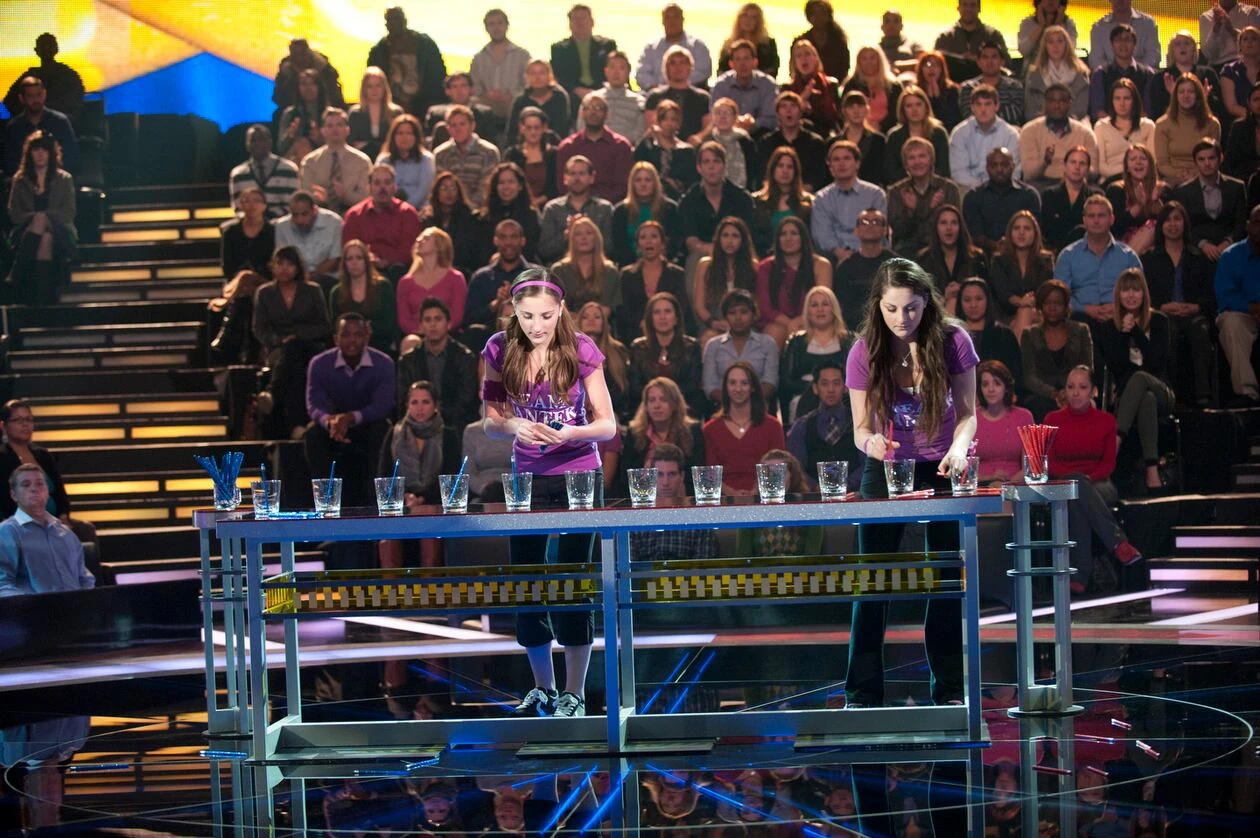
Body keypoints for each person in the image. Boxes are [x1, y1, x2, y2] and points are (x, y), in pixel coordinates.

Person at [481, 268, 618, 719]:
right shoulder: (498, 349)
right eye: (526, 317)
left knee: (574, 580)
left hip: (579, 473)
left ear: (560, 310)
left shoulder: (581, 349)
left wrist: (571, 432)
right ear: (513, 312)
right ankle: (543, 688)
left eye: (544, 315)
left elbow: (608, 425)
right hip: (527, 475)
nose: (536, 326)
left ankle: (574, 693)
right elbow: (490, 422)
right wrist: (514, 425)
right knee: (526, 581)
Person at [844, 257, 978, 708]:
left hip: (942, 464)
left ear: (927, 304)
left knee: (945, 577)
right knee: (872, 579)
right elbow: (860, 428)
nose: (902, 318)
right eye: (892, 309)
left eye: (912, 308)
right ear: (878, 306)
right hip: (887, 465)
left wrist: (959, 449)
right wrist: (872, 444)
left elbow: (968, 415)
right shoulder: (864, 351)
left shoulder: (954, 341)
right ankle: (862, 695)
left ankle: (950, 690)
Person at [1046, 365, 1144, 593]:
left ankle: (1080, 575)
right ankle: (1118, 543)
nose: (1075, 393)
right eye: (1070, 387)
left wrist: (1087, 479)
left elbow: (1108, 464)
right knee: (1075, 492)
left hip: (1100, 483)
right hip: (1064, 483)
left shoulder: (1107, 421)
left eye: (1082, 387)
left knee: (1077, 493)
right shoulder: (1052, 419)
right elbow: (1050, 461)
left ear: (1094, 391)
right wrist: (1075, 480)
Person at [304, 312, 393, 507]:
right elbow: (314, 405)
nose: (352, 340)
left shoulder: (383, 363)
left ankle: (375, 502)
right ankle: (326, 501)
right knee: (313, 433)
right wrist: (331, 422)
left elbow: (383, 405)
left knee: (384, 429)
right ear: (335, 338)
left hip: (367, 424)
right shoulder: (319, 364)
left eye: (358, 334)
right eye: (345, 335)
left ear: (367, 337)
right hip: (333, 428)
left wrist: (351, 418)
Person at [1098, 269, 1173, 491]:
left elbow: (1157, 365)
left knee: (1142, 380)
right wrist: (1124, 333)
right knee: (1145, 399)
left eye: (1136, 290)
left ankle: (1116, 440)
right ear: (1118, 295)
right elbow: (1119, 368)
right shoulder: (1109, 328)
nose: (1131, 295)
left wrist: (1137, 332)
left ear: (1144, 293)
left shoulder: (1159, 321)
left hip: (1162, 390)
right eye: (1126, 290)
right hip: (1130, 397)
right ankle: (1152, 471)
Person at [253, 247, 333, 438]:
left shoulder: (312, 290)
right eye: (280, 263)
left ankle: (272, 394)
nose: (284, 269)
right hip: (278, 350)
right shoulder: (264, 293)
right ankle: (297, 425)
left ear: (298, 267)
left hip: (310, 346)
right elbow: (259, 329)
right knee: (293, 362)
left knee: (295, 352)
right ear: (272, 267)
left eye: (289, 264)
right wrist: (279, 340)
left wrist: (298, 336)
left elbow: (324, 326)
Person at [1143, 202, 1216, 407]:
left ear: (1185, 223)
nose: (1173, 224)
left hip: (1193, 313)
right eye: (1167, 220)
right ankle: (1169, 393)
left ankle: (1204, 394)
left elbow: (1210, 295)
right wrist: (1161, 307)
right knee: (1168, 331)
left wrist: (1197, 307)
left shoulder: (1198, 257)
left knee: (1200, 331)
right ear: (1161, 225)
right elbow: (1145, 294)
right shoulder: (1150, 259)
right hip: (1162, 313)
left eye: (1177, 219)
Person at [378, 381, 448, 569]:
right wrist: (405, 497)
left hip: (434, 503)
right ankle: (391, 586)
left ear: (435, 405)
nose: (419, 408)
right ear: (407, 406)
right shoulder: (394, 433)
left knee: (429, 526)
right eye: (414, 402)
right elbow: (384, 475)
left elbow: (450, 477)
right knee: (388, 537)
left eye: (425, 402)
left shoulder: (447, 435)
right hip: (400, 503)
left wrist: (422, 499)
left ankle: (429, 585)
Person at [395, 298, 480, 442]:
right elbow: (403, 399)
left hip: (454, 425)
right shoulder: (408, 360)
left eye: (438, 319)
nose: (433, 324)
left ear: (449, 324)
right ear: (421, 326)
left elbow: (467, 400)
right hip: (417, 424)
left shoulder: (465, 358)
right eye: (427, 320)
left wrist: (439, 417)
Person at [0, 464, 93, 596]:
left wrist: (85, 601)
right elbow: (3, 585)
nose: (34, 489)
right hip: (34, 607)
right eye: (26, 485)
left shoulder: (66, 533)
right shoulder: (7, 532)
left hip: (75, 605)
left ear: (48, 492)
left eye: (40, 484)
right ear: (13, 495)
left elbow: (85, 578)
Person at [6, 131, 75, 305]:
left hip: (60, 230)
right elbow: (14, 214)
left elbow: (69, 212)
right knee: (44, 238)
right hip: (25, 231)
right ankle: (43, 301)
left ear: (51, 153)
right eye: (36, 150)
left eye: (44, 150)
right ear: (29, 153)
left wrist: (46, 217)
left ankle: (17, 272)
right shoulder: (20, 179)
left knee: (42, 219)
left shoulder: (64, 179)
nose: (40, 154)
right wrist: (35, 217)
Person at [1055, 195, 1142, 331]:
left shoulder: (1128, 256)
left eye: (1101, 215)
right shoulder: (1067, 255)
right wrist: (1085, 309)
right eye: (1091, 216)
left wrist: (1118, 306)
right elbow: (1059, 296)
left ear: (1111, 219)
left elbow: (1140, 292)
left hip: (1120, 316)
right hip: (1080, 319)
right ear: (1084, 220)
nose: (1096, 220)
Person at [678, 141, 756, 283]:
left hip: (738, 253)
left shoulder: (742, 199)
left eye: (716, 161)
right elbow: (691, 243)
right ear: (699, 168)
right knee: (695, 259)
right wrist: (718, 250)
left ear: (724, 166)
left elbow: (747, 238)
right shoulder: (689, 201)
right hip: (703, 256)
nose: (711, 167)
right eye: (706, 162)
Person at [626, 443, 715, 567]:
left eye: (671, 474)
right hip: (645, 579)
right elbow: (627, 570)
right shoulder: (635, 519)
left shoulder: (698, 519)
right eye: (660, 474)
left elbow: (704, 569)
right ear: (650, 477)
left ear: (681, 476)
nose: (665, 482)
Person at [703, 360, 785, 493]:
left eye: (744, 383)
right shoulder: (710, 429)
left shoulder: (773, 426)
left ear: (753, 387)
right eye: (732, 383)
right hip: (723, 499)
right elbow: (709, 474)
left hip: (764, 496)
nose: (738, 389)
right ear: (726, 387)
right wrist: (733, 494)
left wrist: (754, 493)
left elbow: (777, 470)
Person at [1020, 279, 1095, 419]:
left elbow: (1087, 369)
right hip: (1041, 395)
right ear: (1040, 305)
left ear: (1066, 306)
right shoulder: (1030, 334)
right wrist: (1054, 393)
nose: (1052, 308)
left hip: (1075, 392)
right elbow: (1029, 377)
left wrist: (1070, 391)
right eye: (1047, 303)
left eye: (1058, 303)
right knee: (1039, 405)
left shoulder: (1081, 330)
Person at [786, 359, 863, 489]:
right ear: (815, 388)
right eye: (824, 384)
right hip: (814, 497)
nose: (831, 389)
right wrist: (815, 487)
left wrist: (849, 484)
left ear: (845, 387)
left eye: (836, 383)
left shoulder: (860, 423)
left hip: (855, 495)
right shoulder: (801, 426)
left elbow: (868, 464)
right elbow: (796, 467)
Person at [780, 286, 853, 422]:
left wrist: (830, 388)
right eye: (814, 305)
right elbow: (787, 381)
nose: (820, 309)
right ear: (807, 312)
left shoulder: (850, 341)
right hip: (803, 401)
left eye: (825, 304)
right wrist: (816, 389)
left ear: (834, 309)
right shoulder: (796, 342)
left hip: (842, 400)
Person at [756, 216, 832, 347]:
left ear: (803, 238)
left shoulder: (821, 265)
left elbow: (823, 303)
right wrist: (790, 323)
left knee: (806, 332)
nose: (788, 238)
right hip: (776, 322)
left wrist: (799, 322)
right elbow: (765, 307)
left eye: (794, 233)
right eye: (783, 234)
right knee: (775, 333)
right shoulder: (765, 267)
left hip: (811, 319)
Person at [464, 219, 539, 347]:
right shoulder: (481, 277)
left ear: (523, 241)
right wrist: (495, 304)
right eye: (503, 237)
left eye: (513, 237)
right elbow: (469, 318)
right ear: (495, 241)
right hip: (488, 342)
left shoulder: (537, 276)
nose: (508, 242)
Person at [628, 292, 705, 417]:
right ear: (650, 319)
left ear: (676, 318)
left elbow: (693, 386)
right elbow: (635, 388)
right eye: (657, 312)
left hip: (683, 411)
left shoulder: (691, 347)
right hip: (647, 412)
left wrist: (666, 400)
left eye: (667, 311)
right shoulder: (638, 348)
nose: (662, 317)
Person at [1172, 138, 1249, 263]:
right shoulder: (1183, 191)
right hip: (1196, 251)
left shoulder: (1237, 187)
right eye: (1201, 159)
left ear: (1221, 158)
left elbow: (1241, 223)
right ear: (1195, 162)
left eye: (1211, 158)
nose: (1207, 163)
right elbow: (1185, 226)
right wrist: (1203, 244)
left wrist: (1228, 242)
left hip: (1232, 248)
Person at [810, 140, 886, 265]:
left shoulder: (875, 194)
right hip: (834, 259)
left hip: (871, 256)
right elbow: (822, 235)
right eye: (836, 159)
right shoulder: (821, 198)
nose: (841, 164)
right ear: (830, 166)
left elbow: (879, 231)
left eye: (846, 158)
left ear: (857, 164)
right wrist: (841, 254)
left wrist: (860, 255)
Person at [341, 164, 422, 280]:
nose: (382, 188)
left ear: (395, 187)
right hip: (364, 270)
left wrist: (386, 261)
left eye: (387, 183)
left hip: (398, 271)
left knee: (398, 269)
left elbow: (410, 251)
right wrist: (369, 259)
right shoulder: (354, 215)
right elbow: (349, 249)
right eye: (377, 183)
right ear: (369, 187)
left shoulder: (408, 213)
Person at [702, 287, 779, 408]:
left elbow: (771, 382)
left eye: (744, 312)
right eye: (732, 313)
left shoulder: (767, 344)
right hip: (723, 408)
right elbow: (710, 386)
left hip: (759, 408)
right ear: (725, 317)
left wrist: (747, 403)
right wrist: (733, 403)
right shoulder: (713, 346)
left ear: (753, 315)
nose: (738, 318)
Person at [1214, 205, 1260, 406]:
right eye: (1257, 223)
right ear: (1248, 226)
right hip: (1243, 314)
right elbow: (1225, 298)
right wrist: (1252, 308)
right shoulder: (1231, 256)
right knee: (1231, 323)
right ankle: (1247, 394)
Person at [734, 450, 821, 553]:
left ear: (792, 476)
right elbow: (743, 556)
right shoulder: (750, 513)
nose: (773, 479)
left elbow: (813, 556)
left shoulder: (810, 510)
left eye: (779, 472)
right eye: (768, 473)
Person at [617, 220, 690, 340]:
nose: (648, 241)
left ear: (663, 243)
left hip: (671, 333)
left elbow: (682, 308)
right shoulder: (627, 275)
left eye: (654, 236)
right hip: (635, 334)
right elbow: (624, 311)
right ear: (638, 245)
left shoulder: (677, 274)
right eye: (643, 237)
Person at [887, 138, 961, 258]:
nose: (917, 162)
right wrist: (912, 213)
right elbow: (899, 233)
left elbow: (953, 229)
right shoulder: (897, 191)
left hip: (941, 249)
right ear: (905, 164)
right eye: (911, 158)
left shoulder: (948, 189)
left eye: (922, 156)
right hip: (908, 251)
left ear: (931, 160)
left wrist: (927, 211)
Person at [555, 92, 634, 204]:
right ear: (582, 113)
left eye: (598, 108)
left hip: (611, 207)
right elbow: (562, 185)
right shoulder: (567, 147)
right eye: (588, 108)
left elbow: (623, 186)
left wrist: (599, 206)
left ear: (607, 114)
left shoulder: (621, 146)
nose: (593, 112)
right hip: (572, 207)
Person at [366, 6, 446, 116]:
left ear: (404, 21)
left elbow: (438, 75)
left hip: (424, 103)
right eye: (391, 20)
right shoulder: (379, 51)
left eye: (397, 19)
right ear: (386, 24)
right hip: (392, 105)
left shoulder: (425, 45)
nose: (394, 23)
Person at [693, 217, 759, 347]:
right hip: (714, 322)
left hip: (745, 323)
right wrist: (714, 322)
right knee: (709, 339)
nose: (730, 241)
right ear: (718, 239)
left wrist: (740, 323)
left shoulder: (754, 267)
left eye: (735, 236)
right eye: (725, 235)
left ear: (743, 241)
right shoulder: (705, 265)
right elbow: (699, 306)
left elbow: (758, 306)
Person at [989, 211, 1056, 339]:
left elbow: (1044, 291)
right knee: (1024, 312)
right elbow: (1002, 294)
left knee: (1026, 312)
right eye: (1016, 228)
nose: (1021, 233)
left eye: (1027, 228)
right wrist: (1022, 302)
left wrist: (1028, 303)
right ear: (1010, 233)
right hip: (1005, 314)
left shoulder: (1045, 260)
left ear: (1035, 233)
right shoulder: (998, 261)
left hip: (1037, 312)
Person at [538, 155, 614, 265]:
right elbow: (544, 250)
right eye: (572, 174)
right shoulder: (552, 209)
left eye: (582, 173)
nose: (577, 179)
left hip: (597, 268)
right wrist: (566, 235)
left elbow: (610, 247)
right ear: (565, 178)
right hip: (560, 270)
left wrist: (590, 234)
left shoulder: (604, 208)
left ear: (591, 178)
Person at [962, 147, 1041, 250]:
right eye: (994, 165)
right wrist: (995, 246)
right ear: (987, 168)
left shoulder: (1029, 195)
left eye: (1004, 165)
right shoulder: (974, 197)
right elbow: (973, 234)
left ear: (1013, 166)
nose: (999, 170)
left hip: (1023, 253)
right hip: (984, 256)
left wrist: (1010, 246)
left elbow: (1034, 232)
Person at [299, 108, 372, 217]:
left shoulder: (362, 161)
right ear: (322, 131)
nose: (335, 129)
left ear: (347, 130)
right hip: (318, 216)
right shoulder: (310, 162)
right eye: (330, 126)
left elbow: (367, 197)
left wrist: (346, 196)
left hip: (354, 216)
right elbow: (305, 195)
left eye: (339, 125)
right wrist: (319, 198)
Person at [954, 277, 1023, 392]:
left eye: (979, 299)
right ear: (960, 303)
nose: (973, 305)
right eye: (967, 300)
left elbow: (1016, 376)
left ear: (988, 300)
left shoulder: (1004, 335)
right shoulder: (952, 336)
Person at [834, 209, 897, 333]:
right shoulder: (845, 268)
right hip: (854, 331)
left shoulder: (896, 265)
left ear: (885, 230)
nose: (870, 225)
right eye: (865, 222)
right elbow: (841, 307)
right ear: (856, 231)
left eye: (876, 222)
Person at [329, 240, 398, 354]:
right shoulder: (337, 292)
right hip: (348, 348)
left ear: (366, 261)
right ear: (344, 264)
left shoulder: (383, 286)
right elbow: (335, 327)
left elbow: (390, 323)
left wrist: (366, 329)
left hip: (379, 345)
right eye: (349, 259)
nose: (354, 262)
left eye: (359, 258)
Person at [397, 227, 467, 337]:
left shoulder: (456, 278)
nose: (419, 240)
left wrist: (439, 330)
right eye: (418, 238)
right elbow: (404, 320)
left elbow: (457, 316)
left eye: (425, 238)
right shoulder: (405, 282)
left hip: (448, 335)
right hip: (417, 335)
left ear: (439, 245)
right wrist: (424, 330)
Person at [1154, 74, 1223, 185]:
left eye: (1191, 92)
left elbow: (1214, 160)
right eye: (1181, 92)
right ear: (1175, 96)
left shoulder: (1212, 124)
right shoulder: (1162, 124)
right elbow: (1162, 165)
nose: (1186, 96)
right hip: (1173, 181)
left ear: (1198, 95)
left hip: (1204, 178)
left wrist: (1195, 176)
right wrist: (1182, 175)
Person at [948, 85, 1021, 190]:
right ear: (972, 108)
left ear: (997, 106)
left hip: (1002, 188)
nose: (983, 109)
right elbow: (958, 172)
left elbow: (1014, 172)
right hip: (969, 189)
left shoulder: (1010, 134)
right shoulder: (959, 133)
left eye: (988, 104)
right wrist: (982, 190)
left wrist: (992, 190)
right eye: (978, 104)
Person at [972, 360, 1033, 484]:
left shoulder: (1024, 417)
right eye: (985, 384)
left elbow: (1030, 467)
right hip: (980, 486)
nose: (991, 389)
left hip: (1016, 486)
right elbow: (964, 470)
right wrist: (990, 479)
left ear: (1006, 387)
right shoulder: (971, 419)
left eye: (997, 383)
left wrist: (1006, 486)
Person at [610, 163, 682, 268]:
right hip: (629, 266)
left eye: (648, 180)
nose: (643, 184)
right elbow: (618, 246)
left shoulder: (670, 208)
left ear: (655, 183)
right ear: (632, 184)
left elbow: (675, 243)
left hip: (665, 265)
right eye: (638, 180)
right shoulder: (621, 211)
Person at [917, 203, 986, 310]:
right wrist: (944, 297)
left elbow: (986, 294)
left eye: (954, 223)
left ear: (960, 227)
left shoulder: (976, 257)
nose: (949, 228)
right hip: (937, 313)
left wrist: (964, 293)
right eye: (943, 223)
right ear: (936, 228)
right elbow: (919, 301)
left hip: (971, 311)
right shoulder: (924, 259)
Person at [3, 76, 77, 177]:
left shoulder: (60, 122)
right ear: (22, 98)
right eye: (30, 96)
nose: (36, 99)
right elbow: (9, 162)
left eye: (39, 95)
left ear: (44, 94)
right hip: (24, 182)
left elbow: (71, 156)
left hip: (57, 181)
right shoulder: (14, 127)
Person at [1147, 31, 1226, 124]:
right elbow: (1157, 112)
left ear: (1194, 49)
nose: (1182, 47)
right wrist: (1174, 96)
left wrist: (1204, 98)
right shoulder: (1161, 78)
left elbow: (1219, 109)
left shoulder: (1208, 75)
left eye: (1187, 43)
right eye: (1177, 44)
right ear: (1172, 50)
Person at [432, 105, 501, 212]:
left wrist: (468, 209)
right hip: (448, 210)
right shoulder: (440, 154)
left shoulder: (489, 152)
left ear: (472, 126)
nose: (458, 129)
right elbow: (441, 187)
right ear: (448, 129)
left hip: (479, 211)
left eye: (462, 124)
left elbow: (486, 188)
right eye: (453, 125)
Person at [551, 215, 621, 319]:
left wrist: (587, 321)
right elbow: (557, 308)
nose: (584, 238)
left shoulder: (610, 272)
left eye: (589, 233)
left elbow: (606, 310)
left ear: (596, 238)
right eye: (578, 234)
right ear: (572, 240)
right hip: (567, 325)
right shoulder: (559, 270)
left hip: (601, 326)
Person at [576, 301, 631, 430]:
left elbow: (623, 390)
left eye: (597, 317)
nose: (591, 320)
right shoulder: (567, 350)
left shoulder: (618, 351)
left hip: (613, 414)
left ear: (604, 323)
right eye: (585, 317)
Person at [1105, 144, 1170, 253]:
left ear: (1150, 165)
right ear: (1127, 167)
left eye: (1143, 158)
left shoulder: (1162, 189)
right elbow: (1114, 227)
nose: (1138, 162)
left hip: (1156, 245)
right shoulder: (1116, 190)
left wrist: (1155, 201)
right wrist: (1139, 205)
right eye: (1133, 159)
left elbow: (1171, 222)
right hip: (1120, 242)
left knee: (1153, 224)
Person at [758, 93, 828, 193]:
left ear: (801, 112)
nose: (788, 110)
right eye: (783, 106)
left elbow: (817, 177)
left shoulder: (815, 143)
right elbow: (763, 176)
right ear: (777, 113)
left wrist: (800, 194)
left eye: (793, 106)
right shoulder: (767, 142)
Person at [1038, 146, 1105, 251]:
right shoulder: (1048, 195)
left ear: (1088, 169)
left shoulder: (1096, 196)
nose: (1077, 167)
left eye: (1082, 163)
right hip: (1055, 253)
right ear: (1065, 166)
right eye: (1073, 162)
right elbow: (1043, 234)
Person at [750, 146, 813, 257]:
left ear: (796, 171)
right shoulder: (757, 201)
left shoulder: (808, 202)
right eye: (780, 166)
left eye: (790, 167)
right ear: (772, 169)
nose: (785, 171)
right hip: (765, 258)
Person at [470, 9, 531, 122]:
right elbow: (474, 85)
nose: (496, 28)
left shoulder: (522, 55)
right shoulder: (478, 58)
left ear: (507, 25)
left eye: (500, 23)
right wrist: (487, 94)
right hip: (487, 105)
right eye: (491, 24)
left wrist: (511, 95)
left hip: (514, 104)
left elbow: (528, 85)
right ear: (486, 28)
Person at [3, 33, 84, 119]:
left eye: (49, 45)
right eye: (43, 45)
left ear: (56, 49)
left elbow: (75, 102)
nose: (46, 48)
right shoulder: (30, 76)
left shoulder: (68, 75)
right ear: (37, 50)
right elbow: (9, 101)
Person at [477, 162, 543, 268]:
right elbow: (481, 250)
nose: (506, 187)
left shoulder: (531, 215)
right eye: (501, 183)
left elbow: (531, 248)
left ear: (520, 186)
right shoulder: (485, 217)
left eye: (510, 182)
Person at [1087, 24, 1156, 122]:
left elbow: (1148, 111)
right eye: (1118, 40)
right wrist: (1118, 127)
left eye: (1128, 40)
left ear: (1135, 45)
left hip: (1140, 128)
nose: (1123, 44)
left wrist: (1130, 127)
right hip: (1108, 128)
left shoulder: (1147, 74)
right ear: (1112, 45)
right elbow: (1097, 111)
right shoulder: (1100, 74)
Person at [418, 171, 481, 278]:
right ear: (437, 192)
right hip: (432, 268)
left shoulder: (469, 217)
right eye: (444, 188)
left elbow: (468, 248)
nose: (449, 192)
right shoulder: (428, 218)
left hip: (462, 269)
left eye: (453, 188)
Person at [229, 124, 300, 219]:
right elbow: (238, 208)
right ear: (247, 144)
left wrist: (268, 220)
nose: (257, 143)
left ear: (270, 142)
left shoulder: (289, 170)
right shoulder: (238, 174)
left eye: (261, 139)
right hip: (250, 225)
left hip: (281, 225)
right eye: (253, 140)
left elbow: (293, 205)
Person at [711, 39, 780, 136]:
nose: (742, 64)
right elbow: (714, 116)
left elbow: (772, 119)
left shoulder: (768, 84)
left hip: (760, 136)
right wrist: (736, 123)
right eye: (738, 59)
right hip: (727, 136)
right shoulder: (721, 85)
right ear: (731, 64)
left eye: (746, 58)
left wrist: (753, 123)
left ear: (755, 62)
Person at [884, 85, 951, 184]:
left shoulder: (938, 133)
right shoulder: (894, 136)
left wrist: (928, 185)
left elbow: (943, 168)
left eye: (918, 104)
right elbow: (892, 171)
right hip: (903, 188)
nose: (914, 110)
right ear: (903, 110)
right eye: (909, 106)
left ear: (926, 107)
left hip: (936, 187)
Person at [633, 100, 698, 202]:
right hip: (648, 197)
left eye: (673, 119)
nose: (669, 123)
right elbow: (636, 166)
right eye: (664, 119)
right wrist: (648, 135)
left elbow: (689, 180)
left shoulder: (686, 151)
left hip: (677, 199)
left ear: (679, 123)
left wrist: (661, 139)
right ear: (658, 121)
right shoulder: (648, 146)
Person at [274, 191, 343, 285]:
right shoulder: (282, 226)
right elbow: (282, 260)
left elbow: (335, 260)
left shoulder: (334, 222)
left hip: (328, 279)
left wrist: (309, 277)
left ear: (314, 210)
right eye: (295, 215)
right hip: (294, 280)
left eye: (304, 214)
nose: (299, 220)